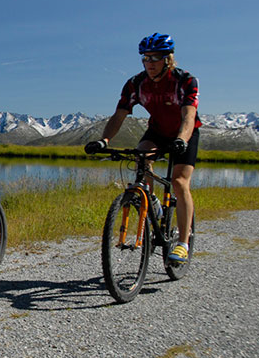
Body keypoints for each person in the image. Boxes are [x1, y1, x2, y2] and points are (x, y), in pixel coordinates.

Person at [85, 32, 201, 263]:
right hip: (157, 131)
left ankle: (182, 243)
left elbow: (189, 115)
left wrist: (181, 139)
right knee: (140, 159)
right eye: (145, 58)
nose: (149, 63)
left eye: (155, 58)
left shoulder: (185, 80)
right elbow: (119, 114)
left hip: (184, 132)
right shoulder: (136, 84)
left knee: (179, 181)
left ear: (168, 59)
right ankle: (154, 203)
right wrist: (104, 140)